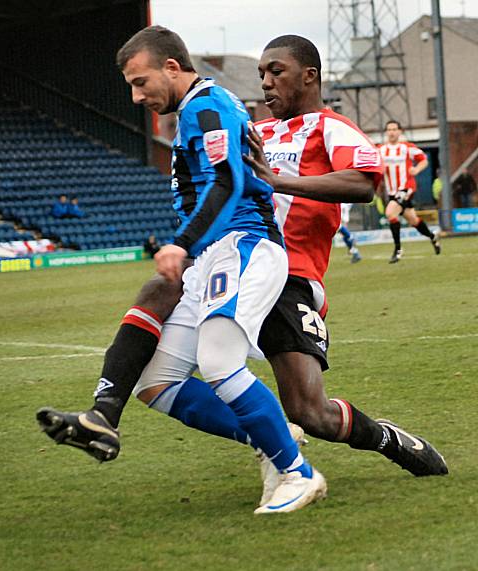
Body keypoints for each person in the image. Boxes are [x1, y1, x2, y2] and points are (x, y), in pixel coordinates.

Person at [36, 34, 447, 505]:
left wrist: (276, 179)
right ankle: (107, 413)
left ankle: (385, 440)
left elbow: (361, 184)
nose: (266, 83)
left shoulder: (330, 128)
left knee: (311, 413)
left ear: (309, 75)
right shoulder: (252, 128)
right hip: (230, 255)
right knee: (160, 298)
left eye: (277, 72)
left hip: (289, 274)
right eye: (261, 74)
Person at [39, 25, 327, 514]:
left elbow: (230, 179)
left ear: (172, 67)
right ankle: (272, 436)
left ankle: (298, 473)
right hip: (215, 254)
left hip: (244, 243)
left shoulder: (205, 105)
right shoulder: (197, 110)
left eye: (141, 81)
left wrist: (182, 243)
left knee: (218, 362)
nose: (136, 96)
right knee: (157, 381)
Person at [379, 120, 440, 263]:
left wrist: (416, 169)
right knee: (413, 220)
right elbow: (374, 165)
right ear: (386, 132)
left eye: (394, 129)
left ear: (400, 131)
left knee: (390, 212)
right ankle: (432, 237)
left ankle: (398, 250)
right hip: (392, 191)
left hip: (406, 188)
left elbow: (424, 160)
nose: (392, 132)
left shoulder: (407, 148)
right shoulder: (380, 150)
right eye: (389, 129)